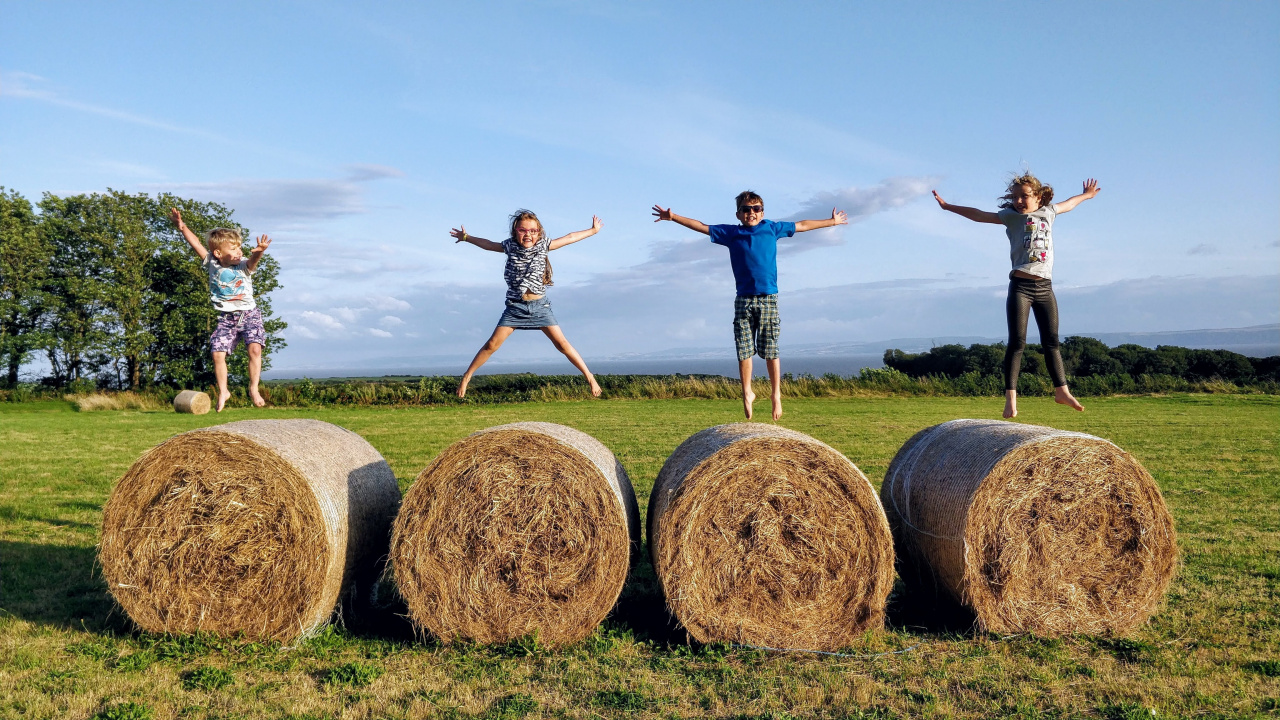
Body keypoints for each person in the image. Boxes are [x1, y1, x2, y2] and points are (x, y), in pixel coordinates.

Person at [652, 192, 848, 420]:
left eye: (755, 208)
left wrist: (832, 222)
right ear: (738, 214)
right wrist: (673, 217)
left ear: (762, 212)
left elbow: (802, 224)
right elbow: (701, 226)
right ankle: (747, 393)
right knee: (744, 349)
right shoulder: (732, 233)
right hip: (743, 300)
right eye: (746, 209)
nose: (751, 213)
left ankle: (776, 395)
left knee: (770, 351)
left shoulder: (772, 228)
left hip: (768, 298)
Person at [932, 173, 1100, 418]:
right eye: (1016, 196)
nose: (1019, 200)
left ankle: (1061, 391)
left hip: (1045, 288)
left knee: (1051, 342)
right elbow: (979, 215)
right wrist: (948, 207)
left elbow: (1070, 203)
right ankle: (1011, 400)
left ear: (1038, 197)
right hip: (1020, 287)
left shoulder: (1049, 212)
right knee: (1017, 343)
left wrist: (1086, 195)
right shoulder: (1010, 217)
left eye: (1025, 196)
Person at [451, 209, 603, 398]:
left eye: (532, 231)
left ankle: (590, 377)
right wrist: (467, 237)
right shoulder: (510, 246)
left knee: (562, 345)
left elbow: (570, 237)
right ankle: (466, 377)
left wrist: (593, 231)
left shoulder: (544, 246)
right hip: (515, 307)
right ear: (516, 231)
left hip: (540, 307)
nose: (528, 234)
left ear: (539, 232)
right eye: (523, 230)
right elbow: (488, 244)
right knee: (491, 345)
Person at [170, 208, 272, 412]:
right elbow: (196, 244)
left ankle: (253, 388)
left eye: (240, 247)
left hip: (249, 314)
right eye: (234, 249)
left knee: (255, 349)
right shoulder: (212, 264)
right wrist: (182, 227)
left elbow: (253, 261)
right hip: (227, 318)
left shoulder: (243, 266)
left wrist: (259, 251)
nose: (239, 252)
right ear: (218, 253)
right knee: (217, 353)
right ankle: (223, 391)